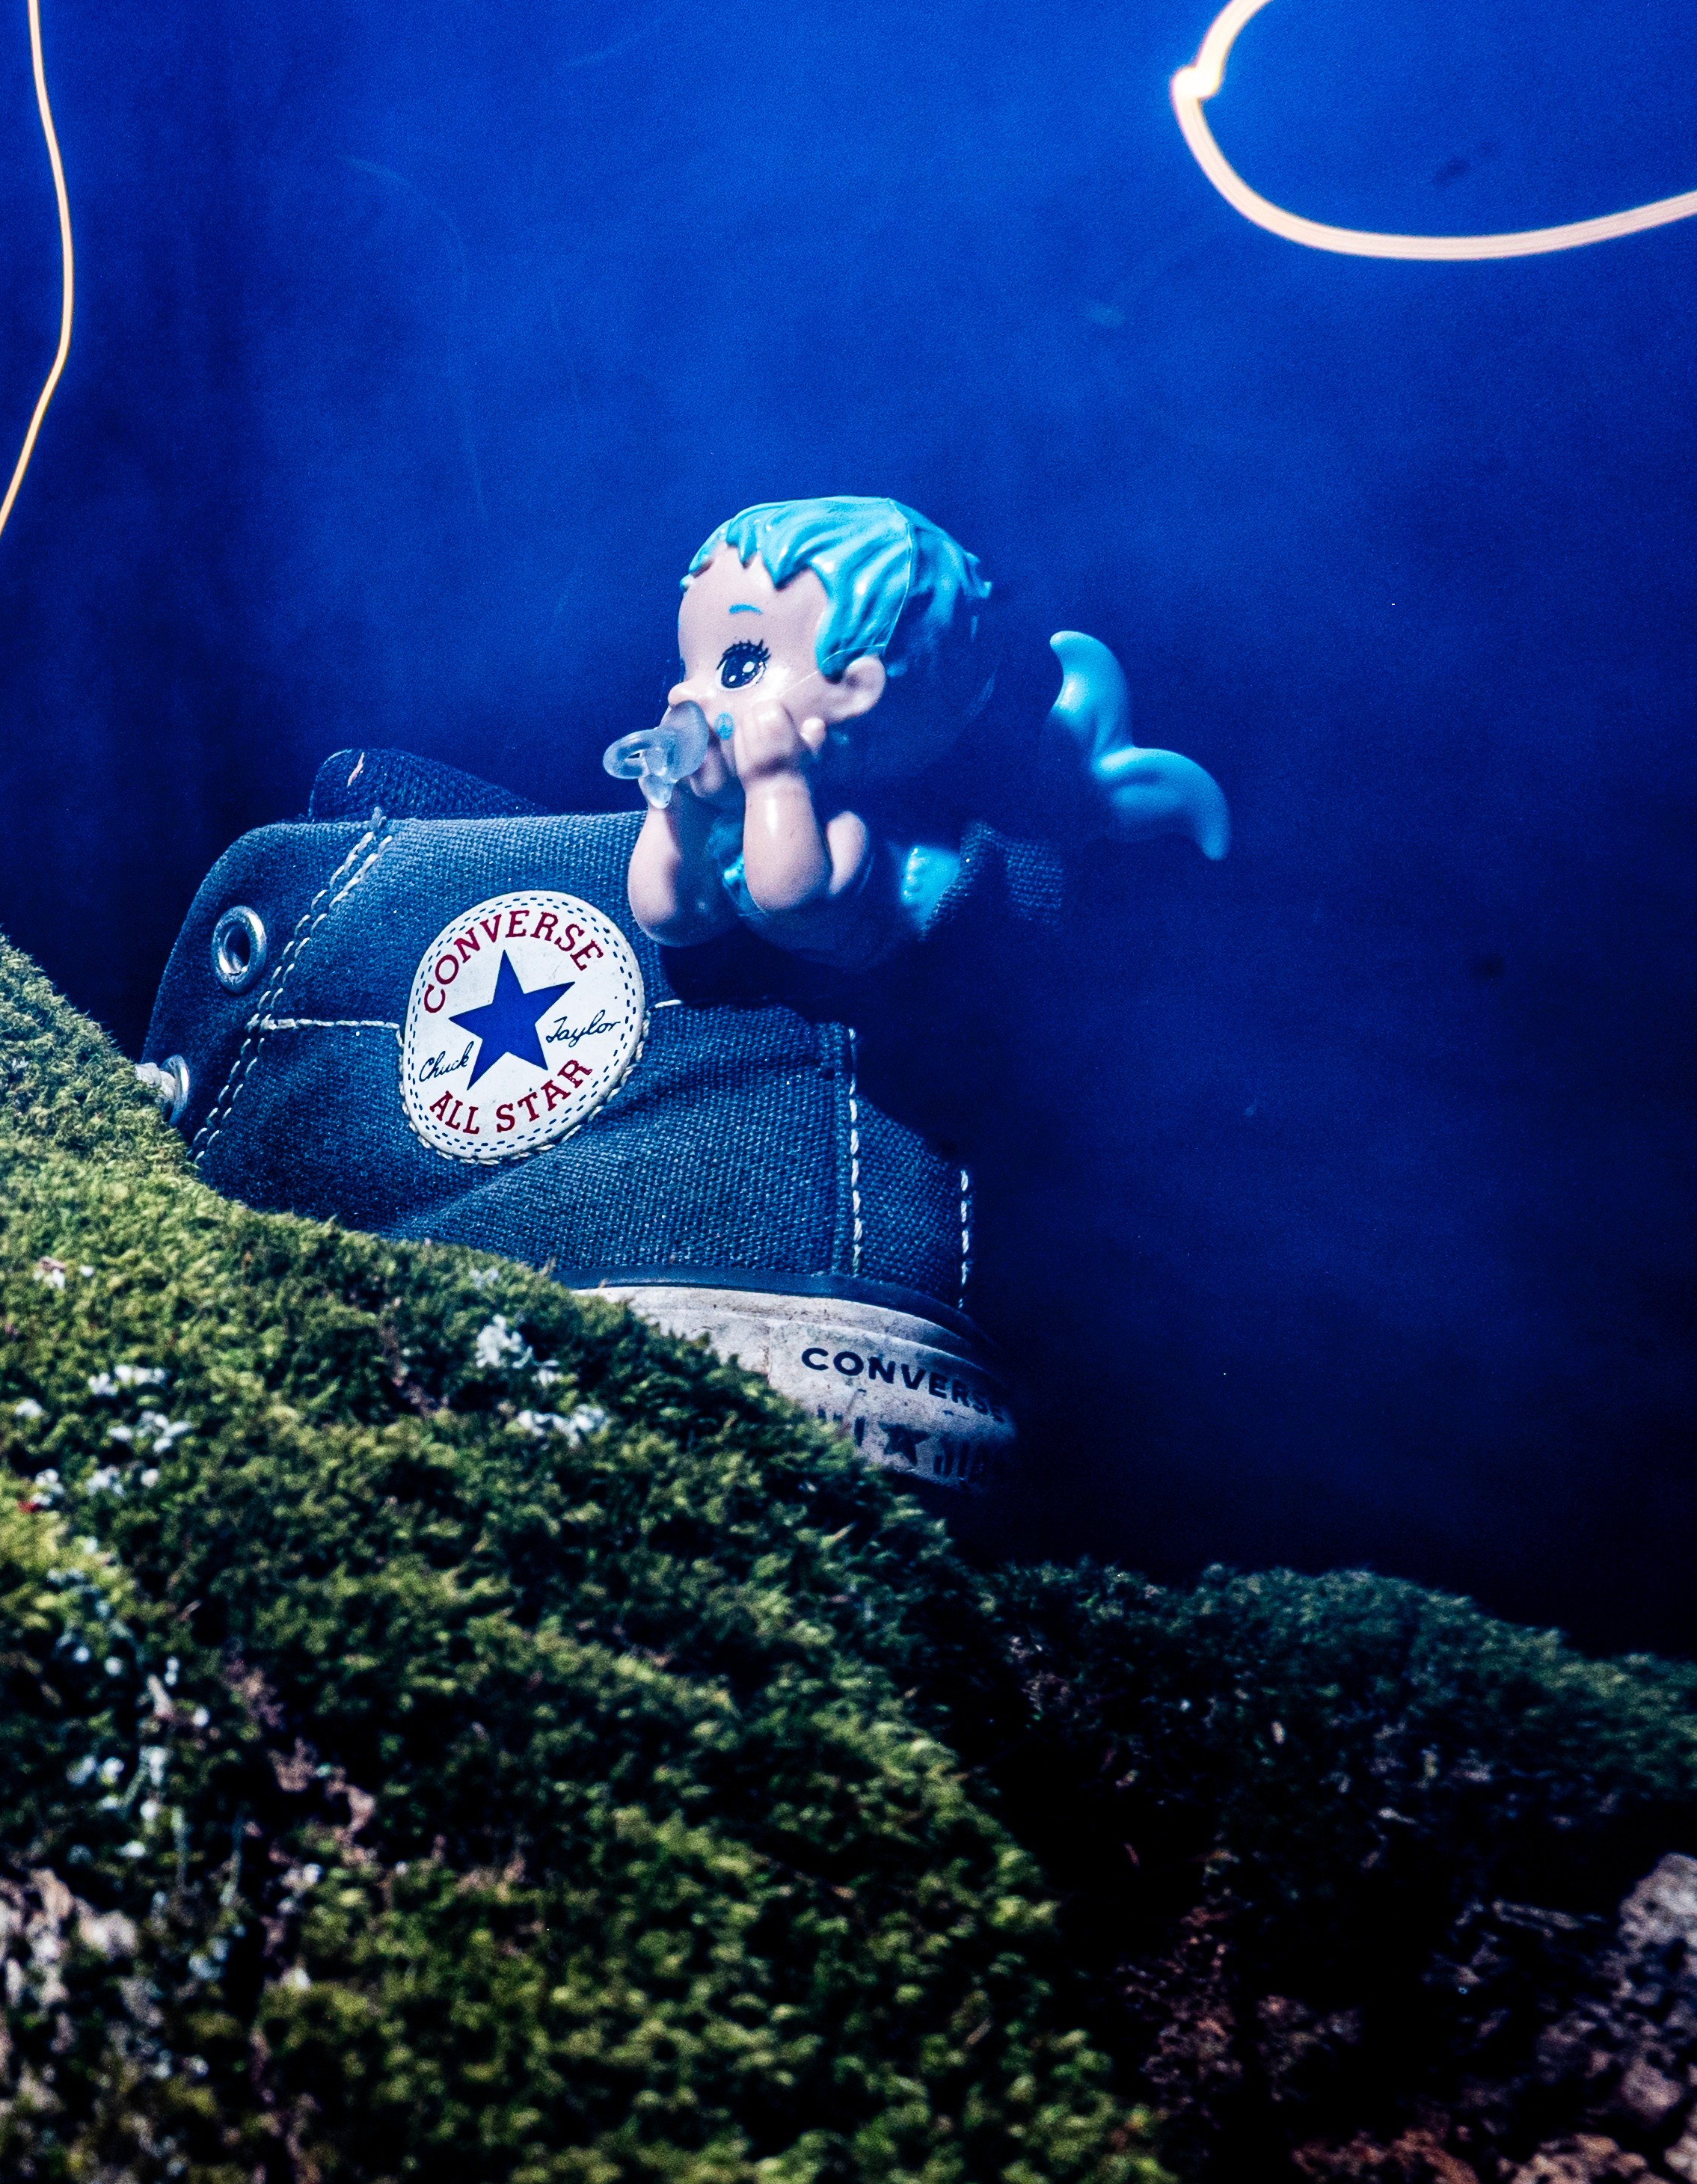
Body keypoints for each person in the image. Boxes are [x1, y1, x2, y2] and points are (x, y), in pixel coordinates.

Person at [137, 495, 1224, 1493]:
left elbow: (795, 900)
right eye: (694, 661)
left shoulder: (841, 831)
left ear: (855, 688)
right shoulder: (730, 803)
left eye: (740, 658)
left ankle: (731, 1212)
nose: (688, 691)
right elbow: (661, 906)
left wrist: (768, 783)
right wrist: (675, 801)